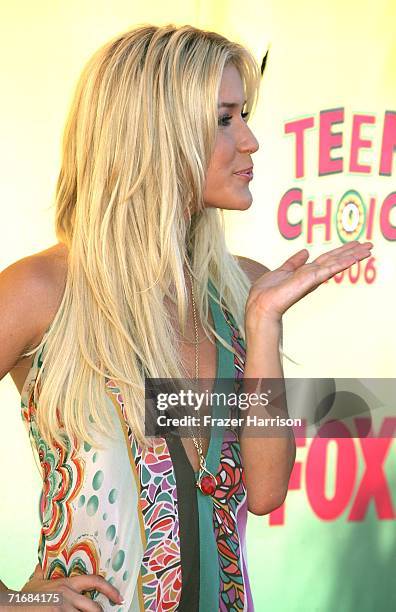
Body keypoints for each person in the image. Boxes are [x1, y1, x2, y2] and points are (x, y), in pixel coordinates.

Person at [0, 24, 373, 611]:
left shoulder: (244, 291)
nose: (250, 140)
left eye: (243, 115)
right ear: (154, 134)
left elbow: (266, 492)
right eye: (225, 119)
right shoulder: (42, 290)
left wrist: (264, 326)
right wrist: (10, 600)